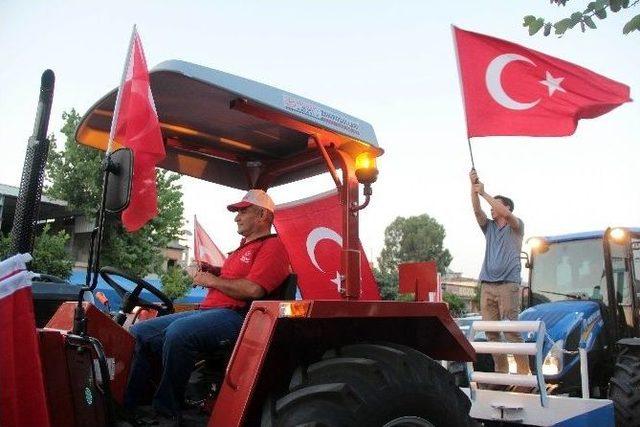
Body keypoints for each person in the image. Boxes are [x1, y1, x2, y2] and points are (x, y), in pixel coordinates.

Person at [124, 189, 290, 420]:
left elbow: (253, 289)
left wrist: (211, 280)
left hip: (239, 317)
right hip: (210, 312)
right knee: (139, 331)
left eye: (243, 211)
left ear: (262, 215)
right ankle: (133, 405)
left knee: (179, 333)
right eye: (237, 212)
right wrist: (213, 270)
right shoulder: (243, 248)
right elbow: (233, 275)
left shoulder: (273, 247)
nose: (236, 217)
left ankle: (166, 411)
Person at [469, 169, 529, 376]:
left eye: (496, 205)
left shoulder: (516, 225)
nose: (491, 209)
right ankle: (501, 375)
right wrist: (473, 188)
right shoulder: (490, 228)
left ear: (506, 207)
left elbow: (505, 214)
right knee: (491, 333)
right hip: (487, 284)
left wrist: (485, 194)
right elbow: (478, 212)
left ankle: (524, 376)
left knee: (512, 331)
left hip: (508, 284)